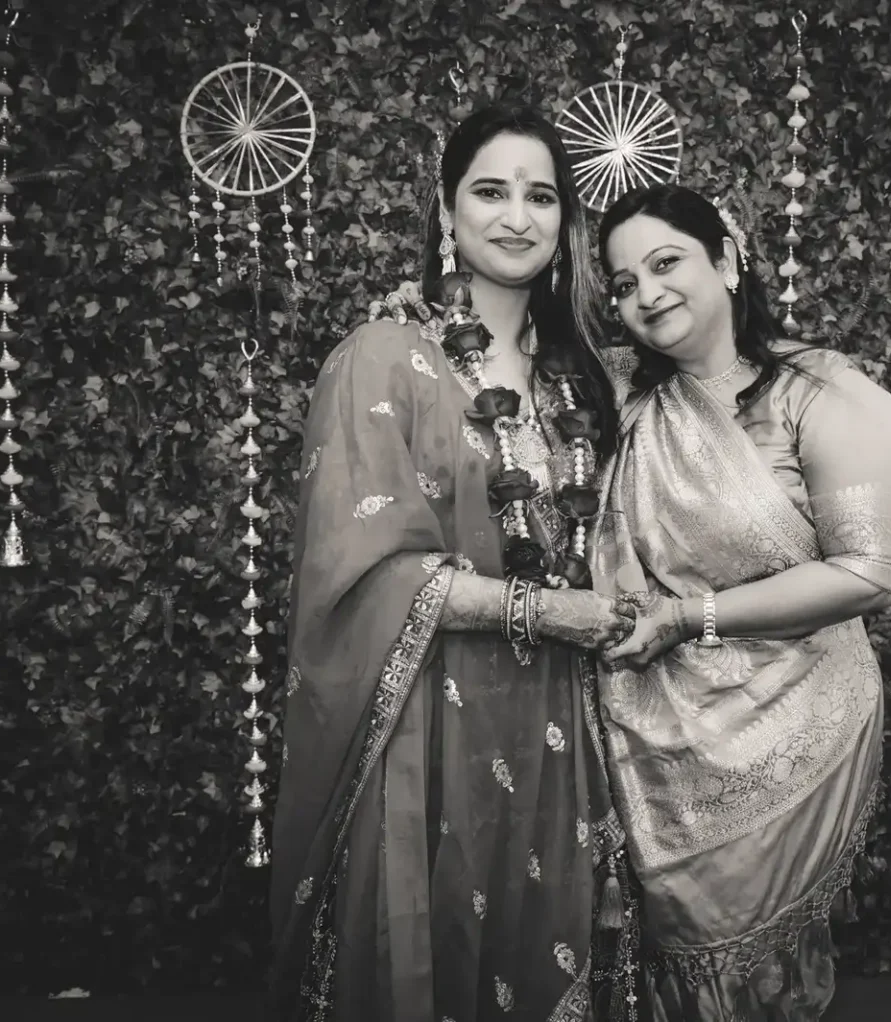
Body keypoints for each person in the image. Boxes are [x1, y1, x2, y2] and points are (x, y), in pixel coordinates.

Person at [267, 102, 638, 1022]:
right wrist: (545, 614)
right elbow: (364, 571)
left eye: (542, 196)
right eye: (491, 191)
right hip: (430, 725)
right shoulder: (382, 358)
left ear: (567, 223)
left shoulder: (581, 377)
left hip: (564, 724)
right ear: (446, 209)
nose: (518, 216)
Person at [586, 183, 891, 1021]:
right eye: (623, 284)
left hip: (794, 726)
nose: (646, 294)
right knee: (658, 954)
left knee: (752, 957)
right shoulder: (620, 406)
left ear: (727, 261)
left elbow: (869, 571)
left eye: (667, 263)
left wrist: (687, 620)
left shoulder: (824, 394)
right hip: (649, 730)